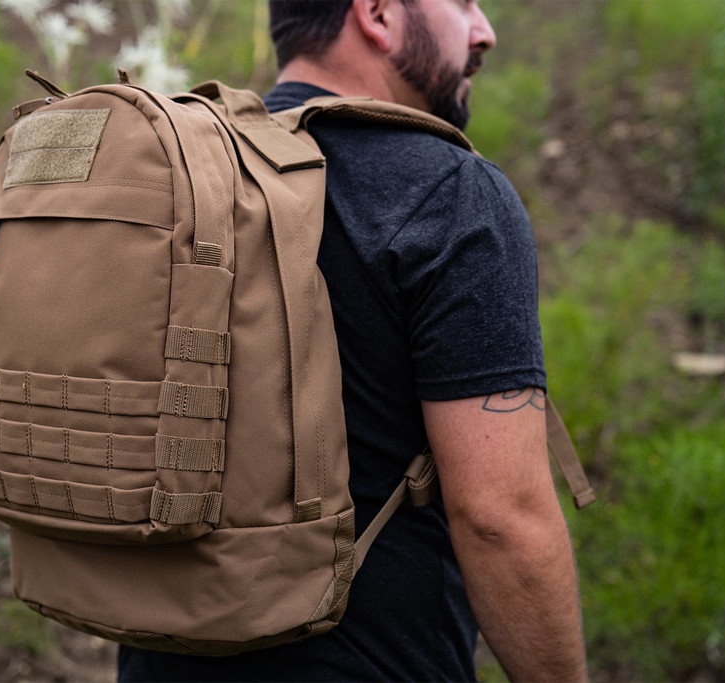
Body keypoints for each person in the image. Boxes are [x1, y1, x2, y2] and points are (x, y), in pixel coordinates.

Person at [117, 0, 588, 680]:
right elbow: (499, 519)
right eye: (461, 3)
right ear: (377, 14)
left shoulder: (182, 179)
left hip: (158, 657)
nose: (485, 29)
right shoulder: (450, 193)